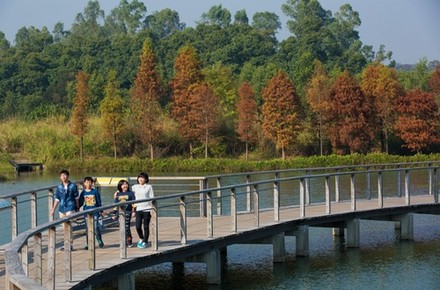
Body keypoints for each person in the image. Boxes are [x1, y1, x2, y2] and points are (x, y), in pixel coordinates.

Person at [50, 169, 79, 251]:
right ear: (60, 177)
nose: (64, 177)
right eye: (62, 175)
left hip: (71, 207)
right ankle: (66, 244)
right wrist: (53, 209)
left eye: (65, 175)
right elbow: (57, 199)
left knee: (68, 226)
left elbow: (76, 197)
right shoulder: (59, 187)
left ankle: (70, 244)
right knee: (64, 227)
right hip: (62, 208)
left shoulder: (73, 186)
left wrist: (77, 207)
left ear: (68, 176)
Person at [79, 176, 104, 249]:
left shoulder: (95, 192)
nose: (88, 184)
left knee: (96, 227)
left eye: (90, 182)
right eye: (87, 182)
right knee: (87, 229)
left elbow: (99, 202)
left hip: (95, 212)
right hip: (87, 212)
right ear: (84, 183)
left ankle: (99, 239)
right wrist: (76, 208)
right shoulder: (83, 192)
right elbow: (80, 202)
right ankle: (88, 243)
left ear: (92, 183)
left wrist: (101, 211)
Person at [132, 172, 154, 249]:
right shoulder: (135, 187)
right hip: (138, 209)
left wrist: (152, 209)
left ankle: (145, 241)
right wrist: (118, 192)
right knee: (137, 226)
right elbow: (128, 193)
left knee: (146, 226)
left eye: (142, 178)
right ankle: (141, 238)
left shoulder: (148, 187)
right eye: (139, 177)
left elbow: (152, 198)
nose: (141, 179)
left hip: (147, 209)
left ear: (146, 179)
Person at [113, 179, 136, 247]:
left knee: (126, 226)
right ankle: (124, 240)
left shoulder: (130, 193)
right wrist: (114, 214)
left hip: (128, 212)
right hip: (120, 213)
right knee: (122, 227)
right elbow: (115, 204)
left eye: (126, 184)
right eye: (123, 184)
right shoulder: (118, 194)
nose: (125, 185)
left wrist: (134, 211)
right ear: (120, 186)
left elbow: (133, 203)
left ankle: (129, 240)